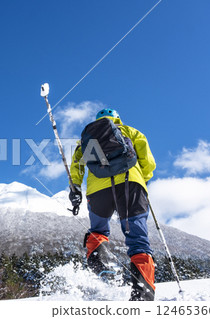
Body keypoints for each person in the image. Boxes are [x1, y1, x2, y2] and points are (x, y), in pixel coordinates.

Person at [69, 108, 156, 301]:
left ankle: (100, 267)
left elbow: (77, 165)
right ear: (117, 119)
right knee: (138, 239)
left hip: (97, 190)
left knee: (98, 230)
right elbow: (147, 163)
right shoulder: (131, 132)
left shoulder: (86, 139)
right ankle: (143, 295)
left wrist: (75, 188)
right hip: (130, 184)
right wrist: (144, 180)